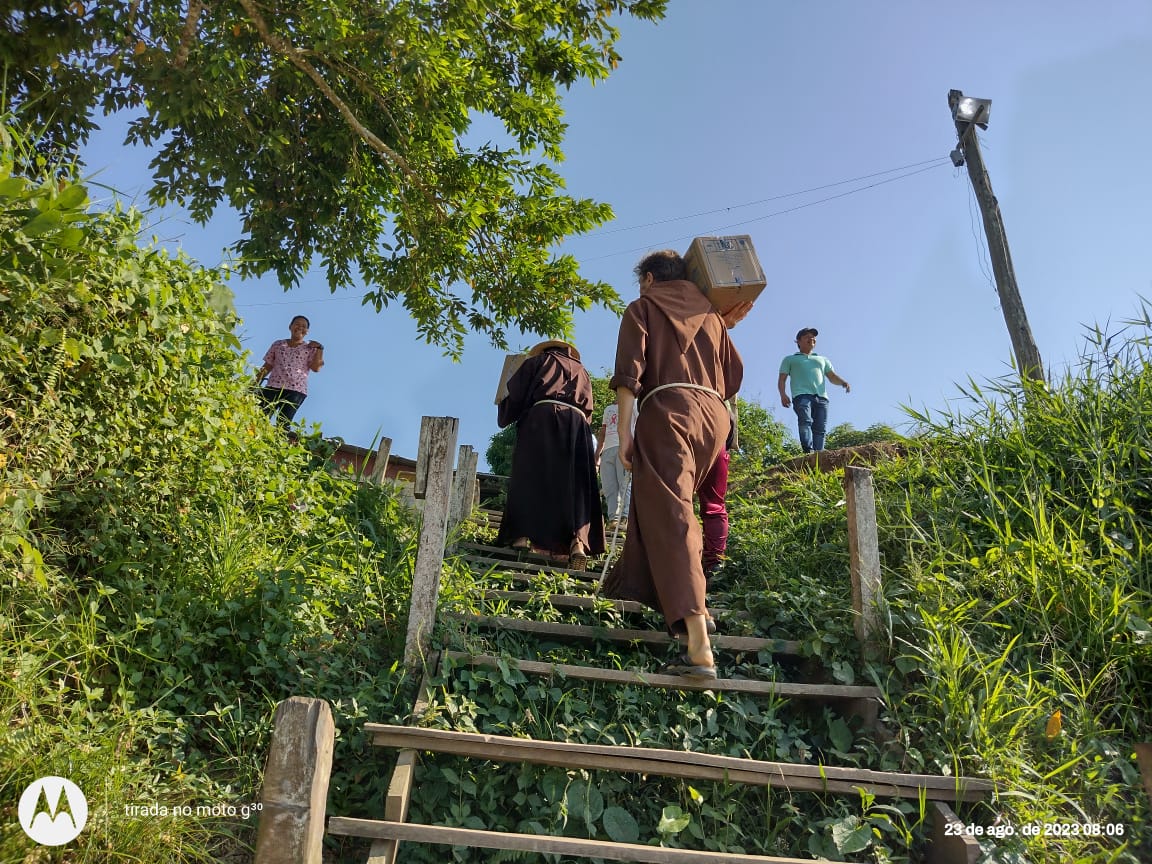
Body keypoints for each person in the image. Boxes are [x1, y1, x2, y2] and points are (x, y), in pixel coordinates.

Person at [603, 250, 749, 681]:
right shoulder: (712, 315)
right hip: (713, 419)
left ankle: (698, 643)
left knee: (673, 513)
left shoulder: (643, 307)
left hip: (669, 410)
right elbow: (734, 375)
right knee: (677, 506)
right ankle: (690, 601)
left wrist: (625, 433)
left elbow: (629, 374)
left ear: (649, 278)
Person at [495, 340, 605, 571]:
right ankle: (577, 543)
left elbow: (515, 395)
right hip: (577, 426)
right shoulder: (583, 372)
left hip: (542, 419)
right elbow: (589, 409)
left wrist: (504, 409)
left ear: (545, 350)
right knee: (575, 485)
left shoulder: (537, 362)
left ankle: (522, 537)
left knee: (531, 477)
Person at [777, 327, 850, 453]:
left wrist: (843, 383)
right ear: (798, 341)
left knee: (820, 428)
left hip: (822, 397)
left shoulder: (822, 359)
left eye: (813, 337)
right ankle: (808, 450)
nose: (811, 339)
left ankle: (818, 454)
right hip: (801, 396)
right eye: (807, 337)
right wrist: (783, 395)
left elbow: (832, 376)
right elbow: (782, 379)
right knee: (805, 421)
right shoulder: (790, 359)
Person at [255, 315, 325, 427]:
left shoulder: (310, 349)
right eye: (297, 324)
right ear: (290, 326)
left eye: (304, 326)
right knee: (259, 417)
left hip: (295, 390)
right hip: (273, 386)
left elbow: (316, 368)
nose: (300, 327)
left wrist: (320, 349)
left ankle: (281, 437)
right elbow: (267, 366)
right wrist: (255, 383)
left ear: (307, 331)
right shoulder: (278, 345)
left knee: (283, 423)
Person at [698, 401, 737, 582]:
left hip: (676, 420)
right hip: (718, 422)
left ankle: (676, 561)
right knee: (714, 503)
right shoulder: (721, 388)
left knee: (674, 499)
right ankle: (715, 564)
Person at [595, 396, 630, 529]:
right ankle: (613, 518)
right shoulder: (608, 409)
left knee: (624, 483)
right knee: (609, 486)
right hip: (608, 450)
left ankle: (625, 516)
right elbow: (603, 432)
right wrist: (598, 452)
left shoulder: (633, 404)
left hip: (623, 446)